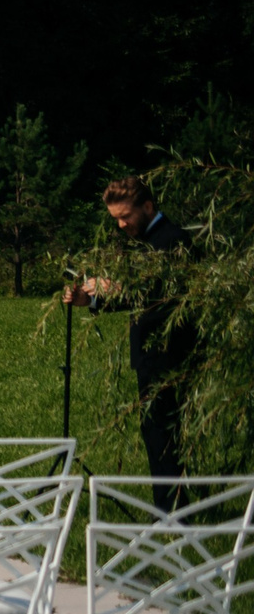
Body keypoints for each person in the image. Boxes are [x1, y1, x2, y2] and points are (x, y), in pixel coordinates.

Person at [63, 175, 195, 487]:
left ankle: (170, 507)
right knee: (154, 432)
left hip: (169, 354)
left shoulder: (172, 240)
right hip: (153, 355)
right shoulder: (148, 241)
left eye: (125, 216)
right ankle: (169, 503)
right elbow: (140, 298)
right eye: (116, 219)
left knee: (161, 434)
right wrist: (92, 299)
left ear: (147, 207)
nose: (121, 225)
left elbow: (166, 295)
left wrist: (118, 286)